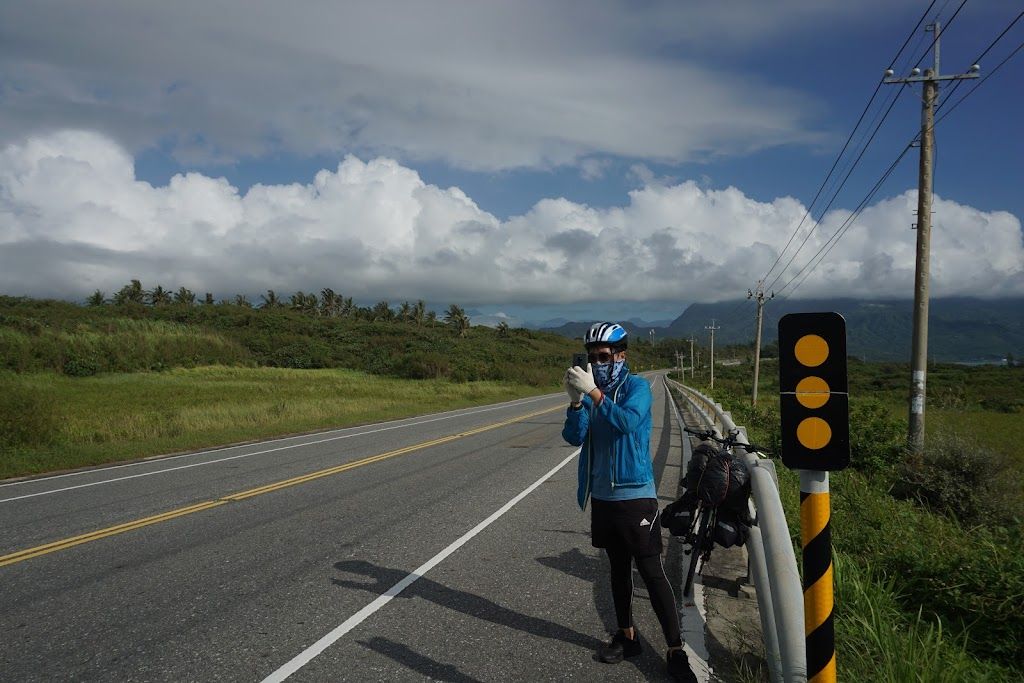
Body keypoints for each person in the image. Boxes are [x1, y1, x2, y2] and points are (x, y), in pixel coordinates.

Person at [561, 322, 697, 683]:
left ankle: (675, 649)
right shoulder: (593, 394)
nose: (597, 363)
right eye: (591, 358)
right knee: (617, 570)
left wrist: (593, 394)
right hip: (603, 496)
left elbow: (627, 422)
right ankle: (627, 635)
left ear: (621, 355)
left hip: (635, 496)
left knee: (651, 571)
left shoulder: (635, 388)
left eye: (603, 357)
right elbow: (574, 438)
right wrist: (576, 401)